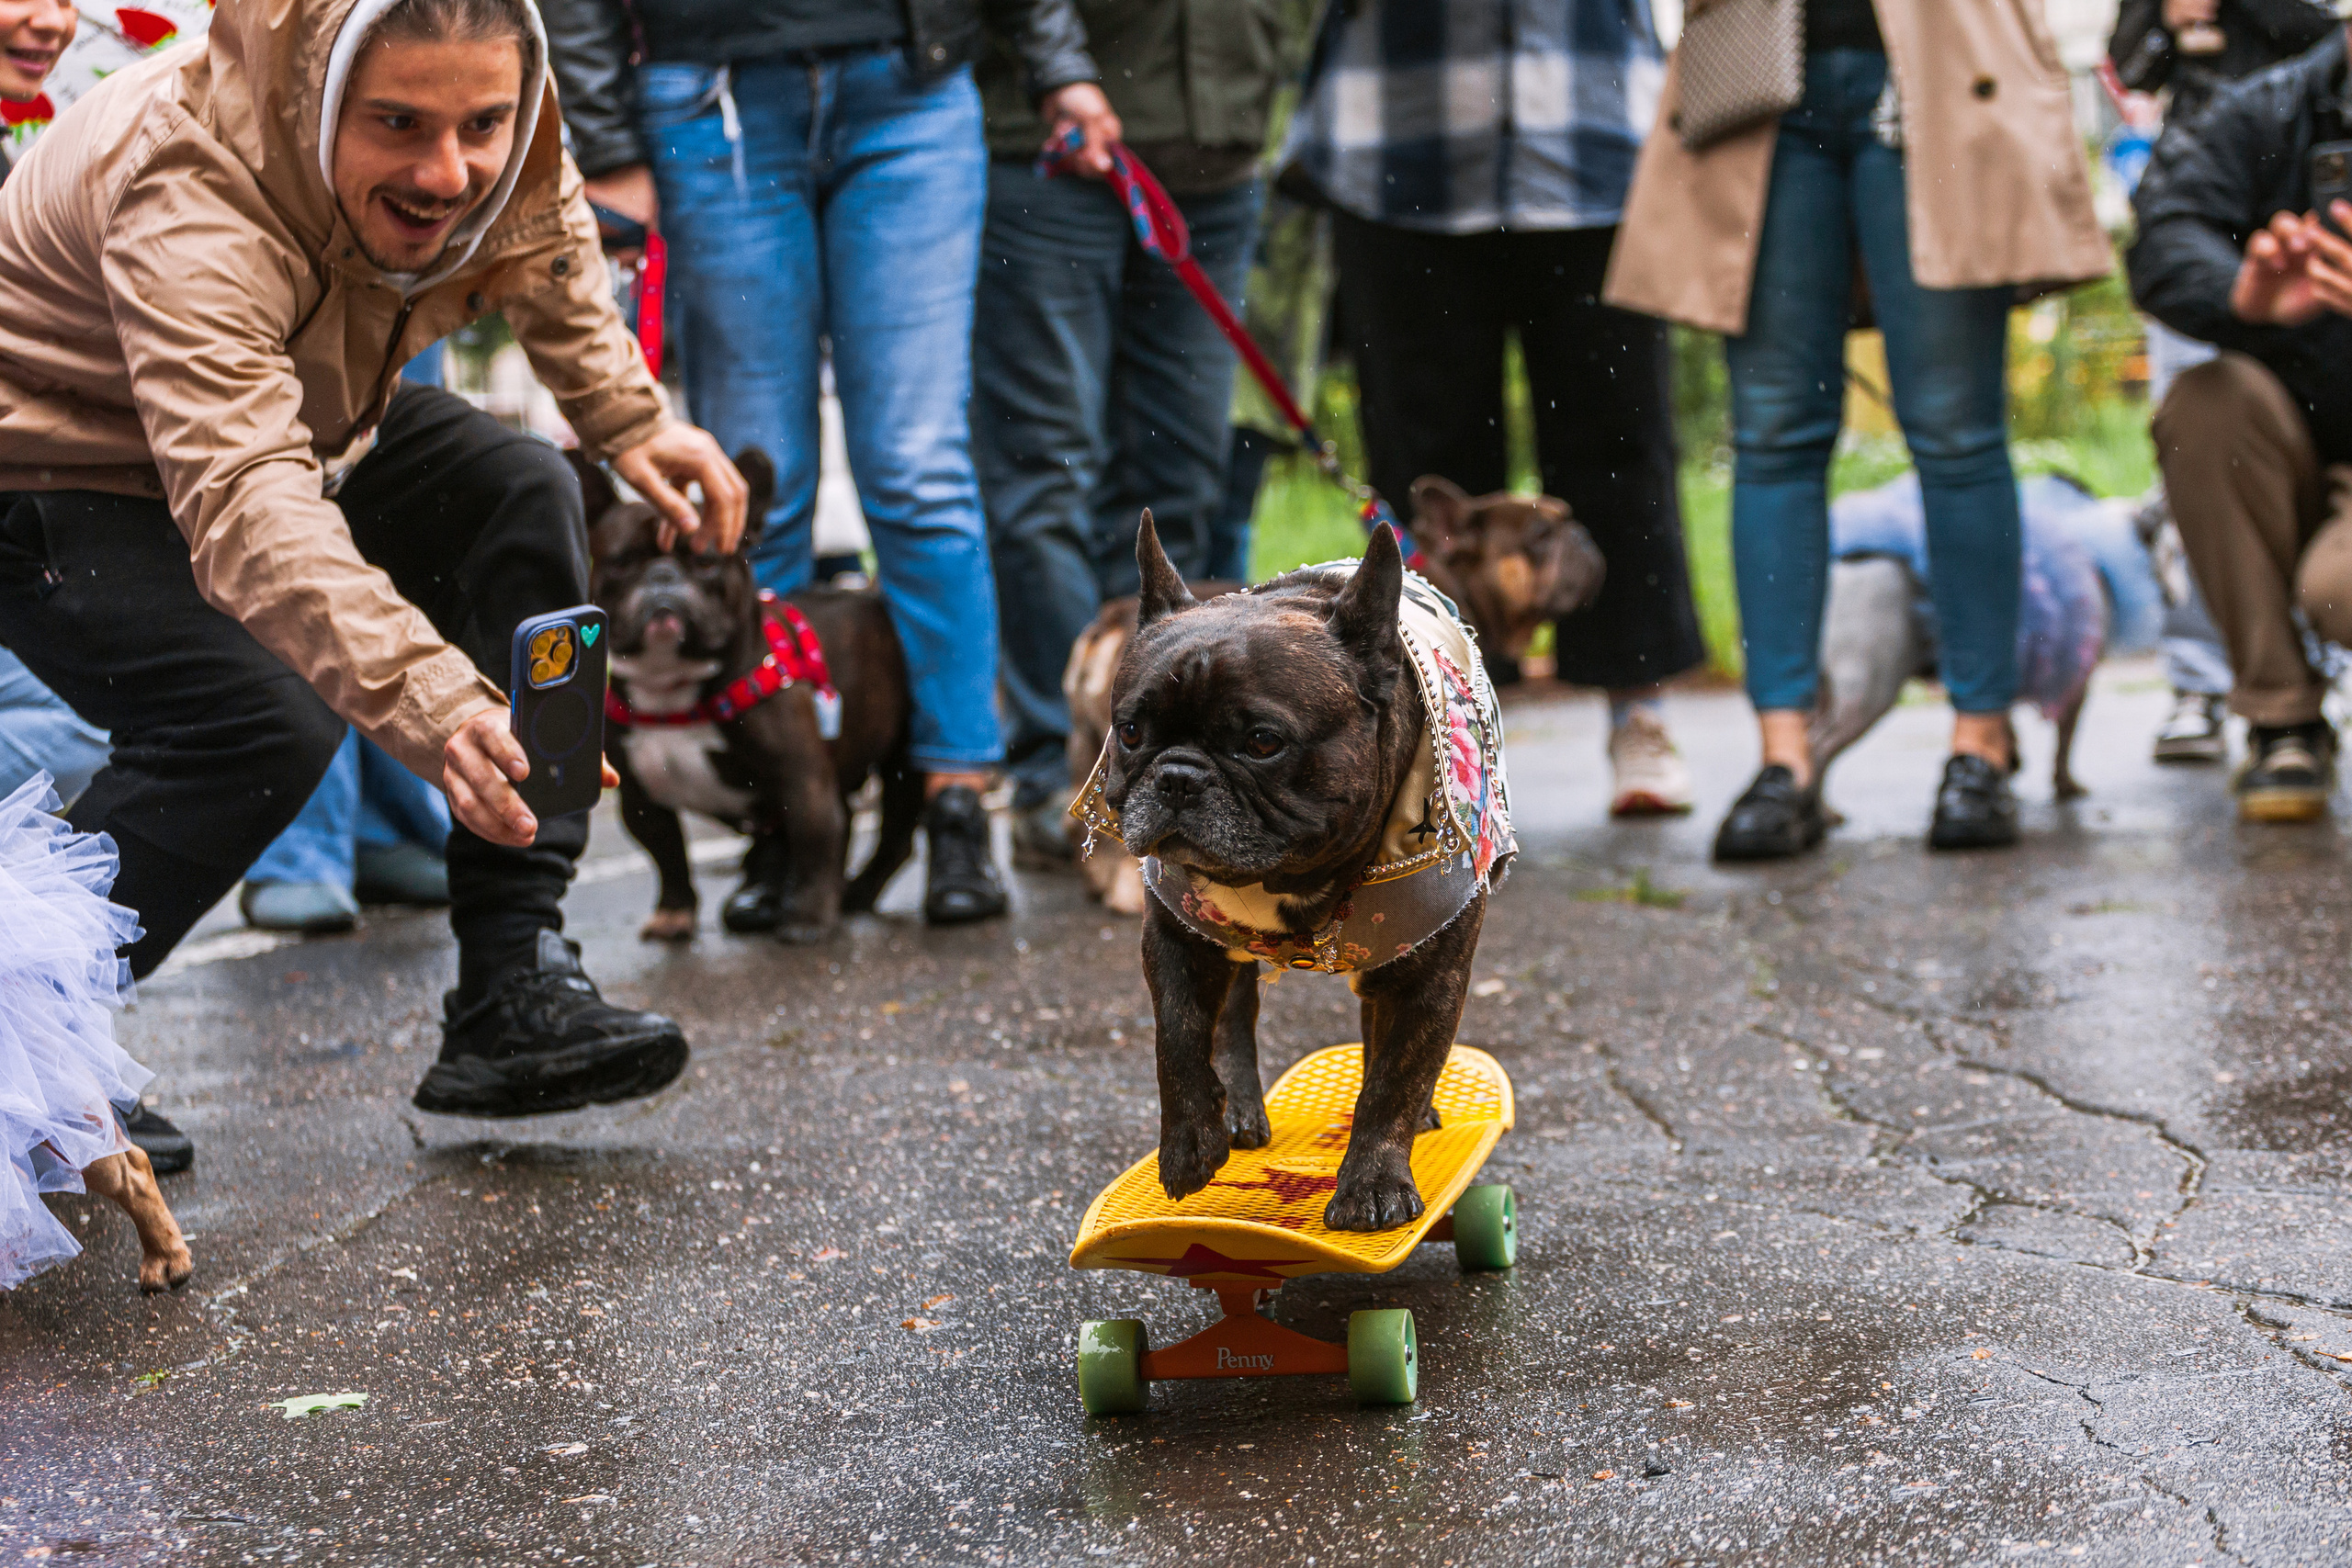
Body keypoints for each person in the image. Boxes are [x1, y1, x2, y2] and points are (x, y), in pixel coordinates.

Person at [0, 0, 753, 1121]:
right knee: (261, 721)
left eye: (479, 125)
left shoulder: (498, 111)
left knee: (520, 488)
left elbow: (539, 232)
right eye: (398, 124)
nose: (448, 172)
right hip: (60, 464)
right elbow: (248, 497)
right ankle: (31, 1039)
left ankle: (513, 983)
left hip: (302, 421)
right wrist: (435, 702)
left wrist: (628, 420)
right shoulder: (189, 187)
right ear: (316, 104)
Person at [544, 0, 1111, 926]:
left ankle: (955, 799)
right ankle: (780, 811)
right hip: (709, 95)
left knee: (919, 474)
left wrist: (1059, 62)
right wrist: (604, 141)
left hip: (911, 86)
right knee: (756, 485)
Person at [1607, 0, 2109, 859]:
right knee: (1772, 435)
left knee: (1957, 433)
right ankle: (1785, 758)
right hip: (1758, 73)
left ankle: (1980, 744)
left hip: (1937, 62)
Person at [1283, 0, 1707, 821]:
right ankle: (1432, 745)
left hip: (1595, 139)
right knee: (1425, 465)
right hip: (1400, 138)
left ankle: (1638, 714)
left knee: (1621, 441)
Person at [969, 0, 1290, 859]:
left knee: (1177, 481)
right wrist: (1059, 70)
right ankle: (1058, 771)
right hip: (1050, 142)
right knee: (1044, 468)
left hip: (1221, 148)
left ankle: (1173, 771)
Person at [2128, 23, 2352, 824]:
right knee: (2204, 405)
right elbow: (2163, 237)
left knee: (2344, 589)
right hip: (2294, 431)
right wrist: (2241, 293)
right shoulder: (2267, 109)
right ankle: (2281, 717)